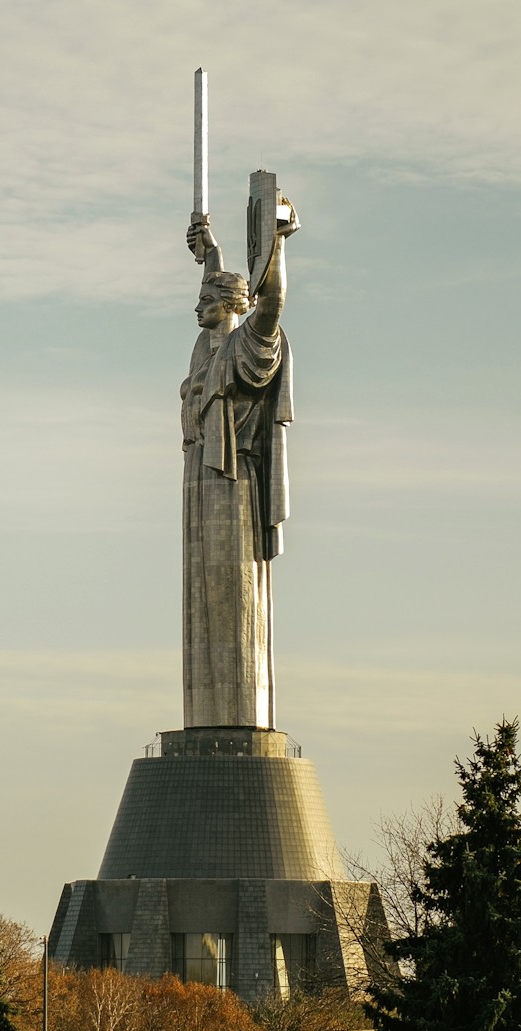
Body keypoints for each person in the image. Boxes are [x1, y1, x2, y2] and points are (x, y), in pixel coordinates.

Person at [179, 197, 299, 729]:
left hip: (234, 485)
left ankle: (239, 719)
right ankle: (205, 718)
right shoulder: (207, 348)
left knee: (233, 594)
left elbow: (268, 303)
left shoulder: (251, 344)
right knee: (201, 597)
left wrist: (276, 243)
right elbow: (221, 296)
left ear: (231, 303)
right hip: (199, 484)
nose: (196, 305)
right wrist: (211, 252)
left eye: (206, 298)